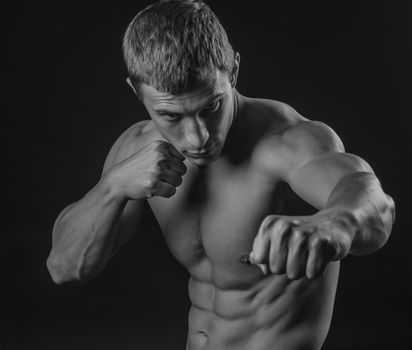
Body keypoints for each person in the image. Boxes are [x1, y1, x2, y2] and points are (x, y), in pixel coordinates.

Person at [47, 1, 395, 349]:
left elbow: (372, 202)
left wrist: (335, 223)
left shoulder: (287, 142)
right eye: (170, 116)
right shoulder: (134, 151)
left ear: (234, 73)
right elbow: (65, 268)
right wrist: (112, 188)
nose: (197, 137)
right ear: (137, 92)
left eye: (211, 106)